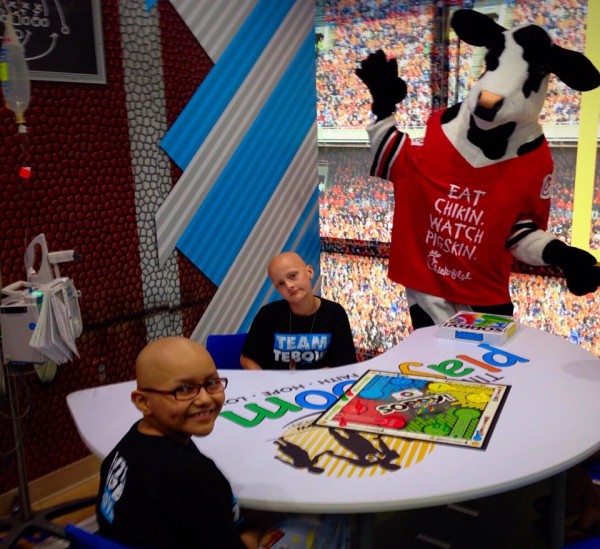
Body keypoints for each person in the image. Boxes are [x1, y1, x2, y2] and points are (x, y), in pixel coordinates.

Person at [95, 337, 262, 549]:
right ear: (143, 402)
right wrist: (263, 525)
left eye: (212, 383)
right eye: (184, 389)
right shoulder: (193, 476)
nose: (204, 399)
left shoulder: (133, 439)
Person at [240, 252, 357, 370]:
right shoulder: (267, 315)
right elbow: (247, 359)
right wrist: (265, 379)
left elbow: (346, 364)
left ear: (309, 272)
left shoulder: (335, 313)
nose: (289, 285)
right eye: (281, 284)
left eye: (292, 276)